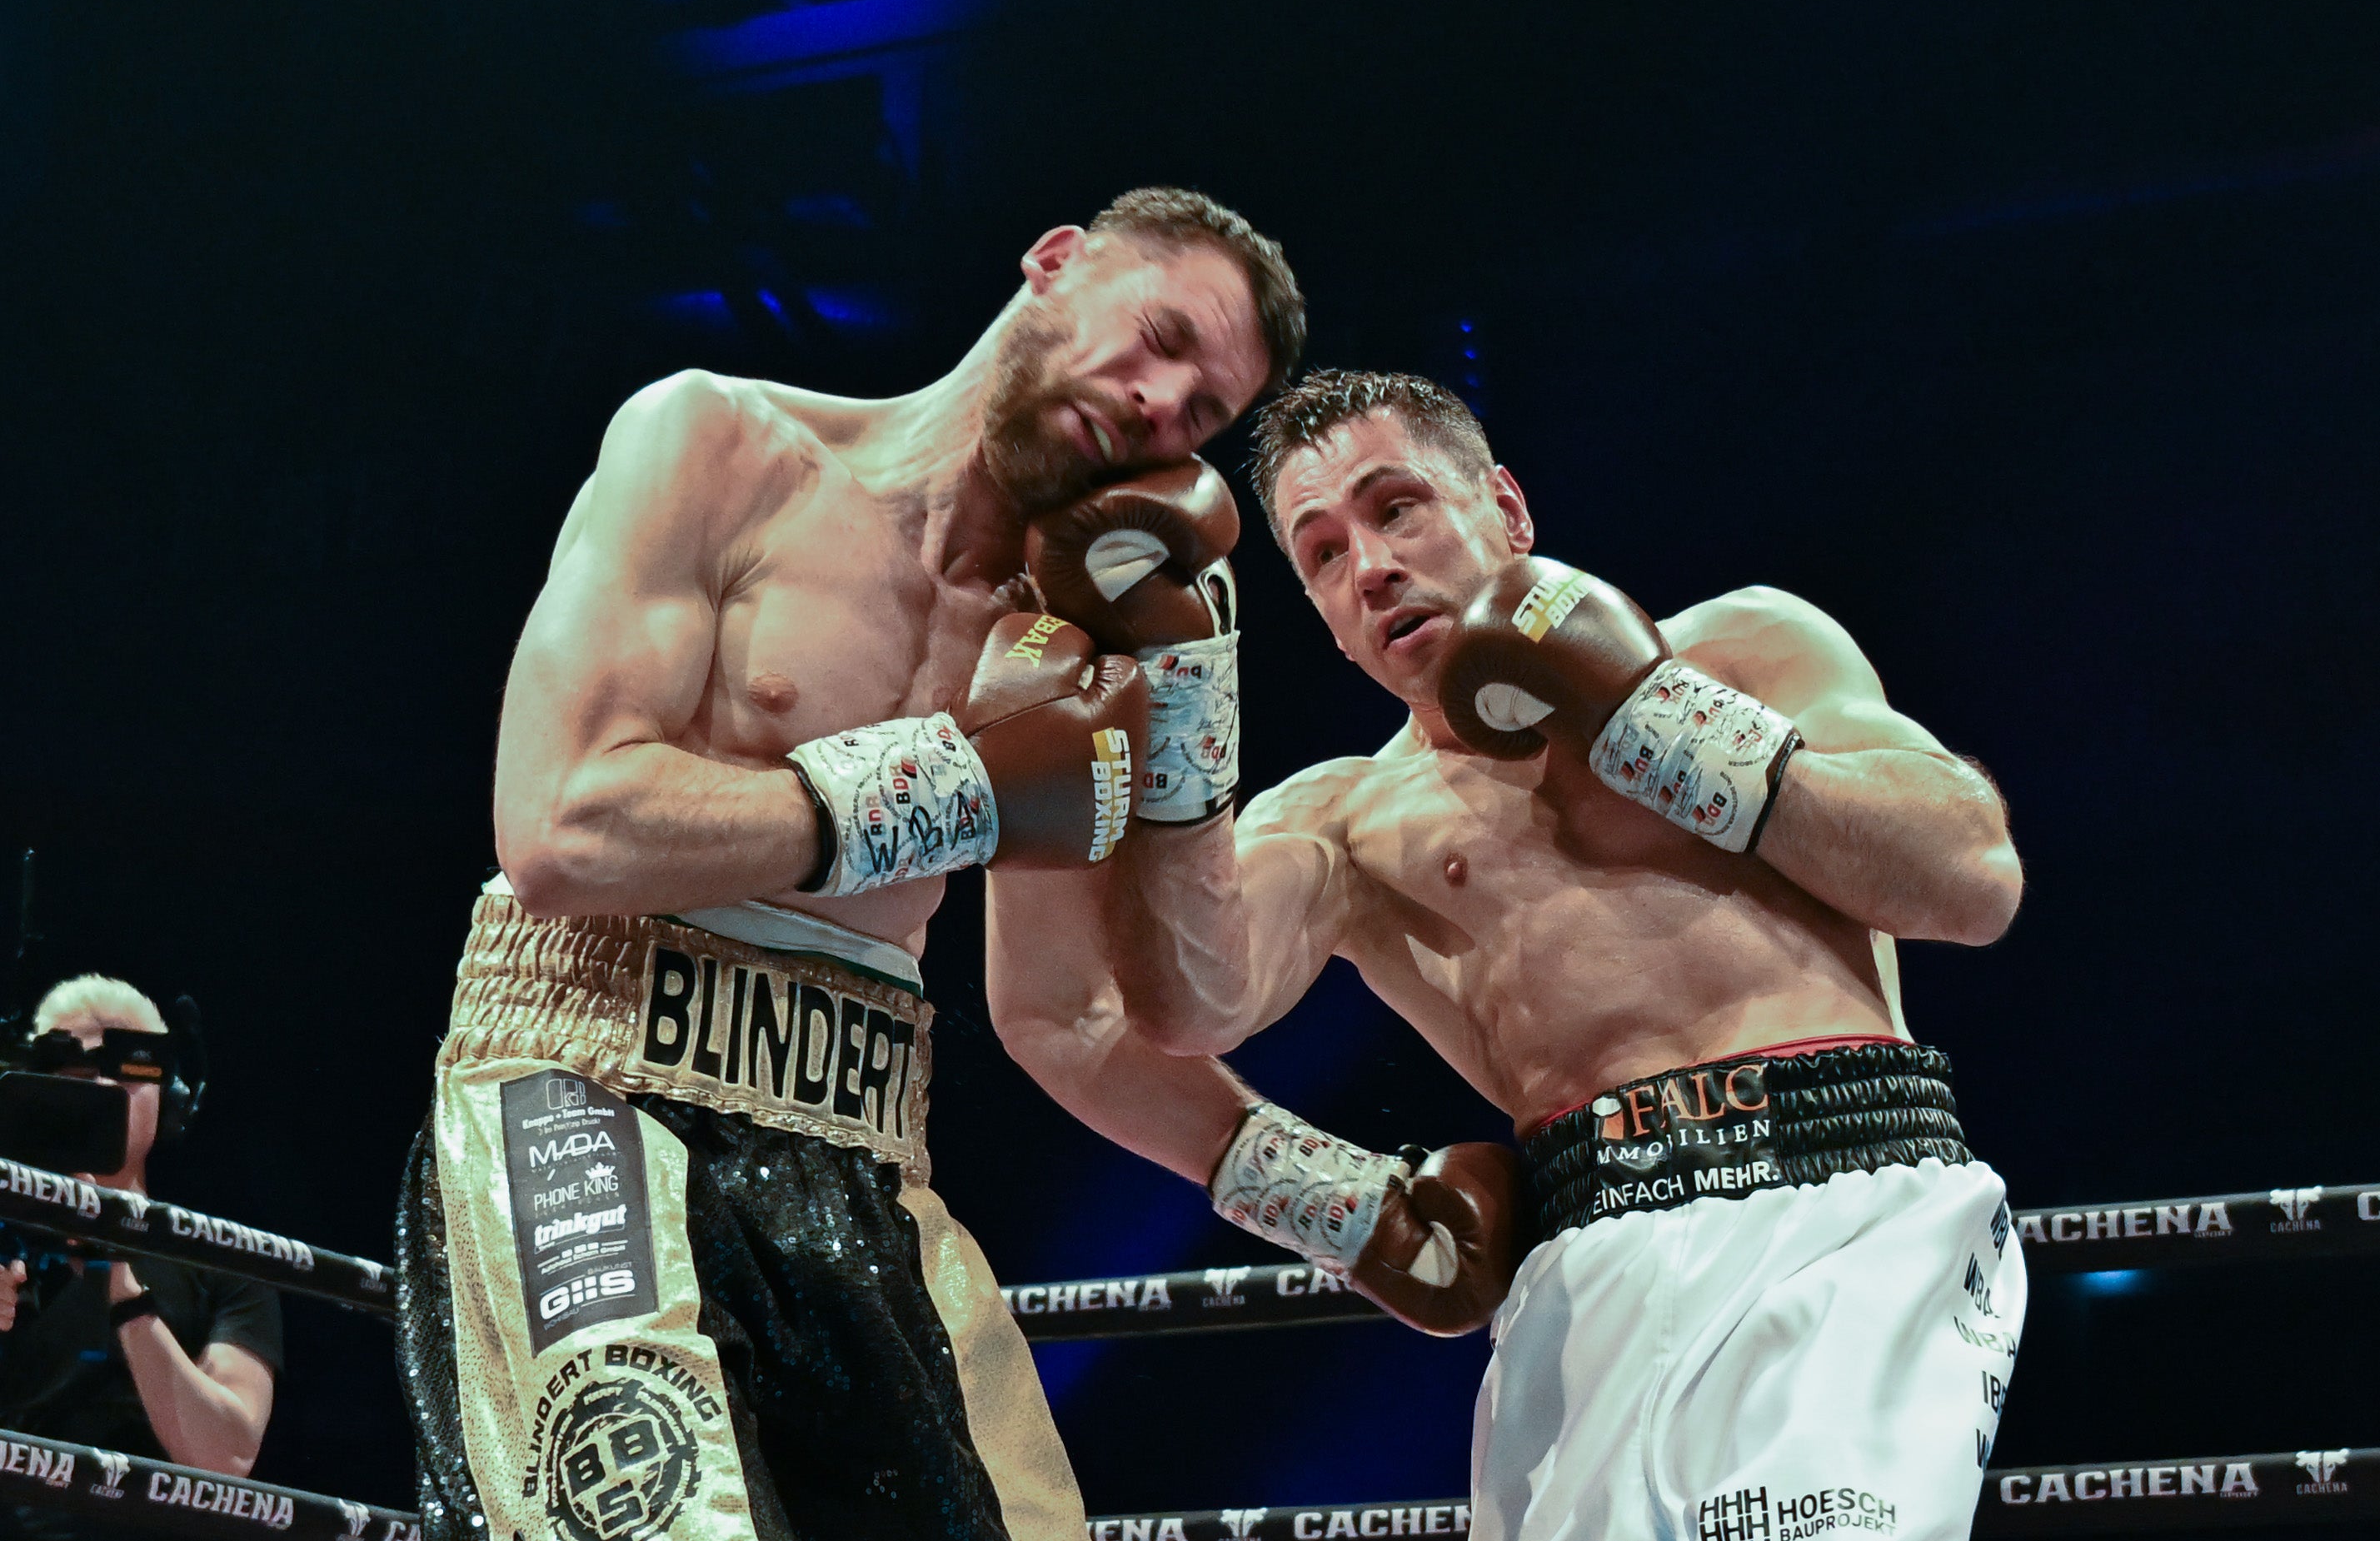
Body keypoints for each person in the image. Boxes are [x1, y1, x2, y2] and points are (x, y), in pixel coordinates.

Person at [394, 187, 1308, 1541]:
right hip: (583, 1089)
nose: (1161, 403)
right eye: (1161, 336)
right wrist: (938, 793)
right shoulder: (716, 442)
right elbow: (561, 829)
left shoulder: (1065, 640)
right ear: (1057, 261)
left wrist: (1337, 1203)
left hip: (859, 1146)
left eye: (1203, 411)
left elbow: (1078, 1015)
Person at [986, 369, 2028, 1541]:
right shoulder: (1342, 823)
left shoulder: (1740, 647)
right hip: (1583, 1281)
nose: (1370, 567)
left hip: (1845, 1211)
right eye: (1322, 554)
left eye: (1397, 509)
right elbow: (1186, 1003)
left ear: (1508, 509)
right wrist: (1344, 1208)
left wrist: (1654, 716)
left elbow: (1971, 878)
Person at [0, 975, 280, 1494]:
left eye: (125, 1071)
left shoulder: (223, 1256)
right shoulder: (4, 1234)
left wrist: (119, 1283)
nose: (104, 1091)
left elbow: (226, 1456)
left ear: (168, 1097)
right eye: (81, 1074)